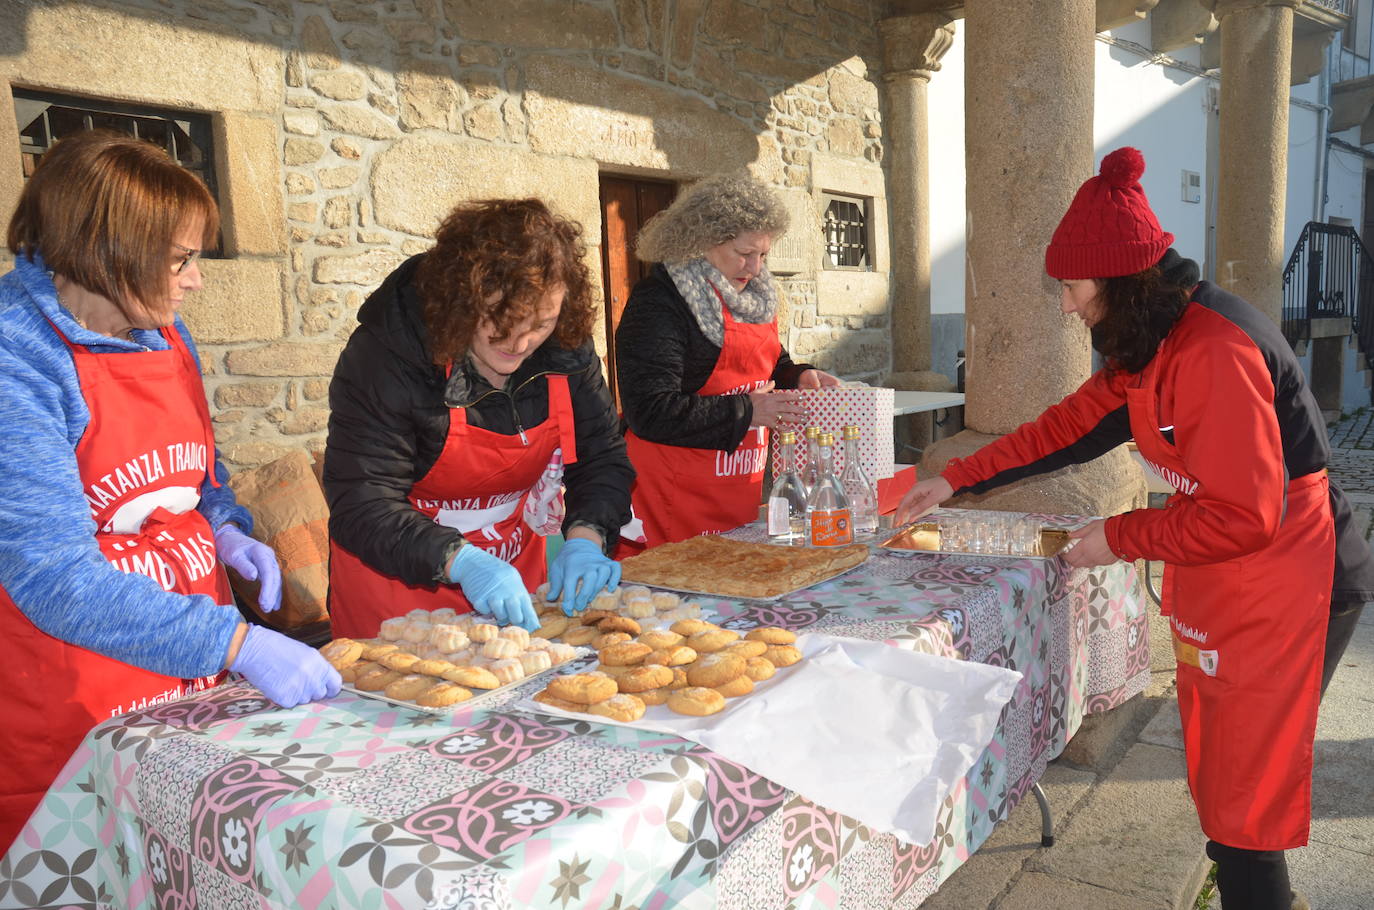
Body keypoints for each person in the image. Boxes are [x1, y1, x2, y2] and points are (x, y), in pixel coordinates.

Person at [896, 147, 1374, 910]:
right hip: (1236, 575)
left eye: (1071, 287)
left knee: (1246, 798)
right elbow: (1067, 428)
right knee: (1224, 781)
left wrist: (1120, 537)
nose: (1065, 306)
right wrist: (956, 477)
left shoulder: (1213, 349)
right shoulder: (1153, 338)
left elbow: (1244, 515)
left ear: (1120, 281)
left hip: (1293, 576)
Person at [0, 130, 340, 850]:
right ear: (108, 250)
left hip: (189, 676)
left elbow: (199, 475)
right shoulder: (16, 357)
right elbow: (53, 575)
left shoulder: (164, 334)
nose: (195, 281)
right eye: (180, 259)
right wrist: (237, 643)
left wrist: (225, 528)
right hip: (75, 693)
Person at [325, 198, 633, 639]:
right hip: (396, 591)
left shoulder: (565, 346)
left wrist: (587, 536)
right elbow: (363, 500)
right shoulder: (386, 356)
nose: (521, 343)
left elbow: (602, 457)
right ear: (463, 301)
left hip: (512, 578)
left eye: (540, 324)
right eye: (501, 323)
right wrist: (461, 560)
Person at [614, 173, 841, 549]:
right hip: (669, 498)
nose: (755, 268)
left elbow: (771, 360)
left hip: (735, 493)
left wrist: (797, 375)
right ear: (702, 241)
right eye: (744, 253)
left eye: (763, 255)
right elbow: (649, 411)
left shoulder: (757, 296)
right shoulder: (659, 302)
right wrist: (747, 412)